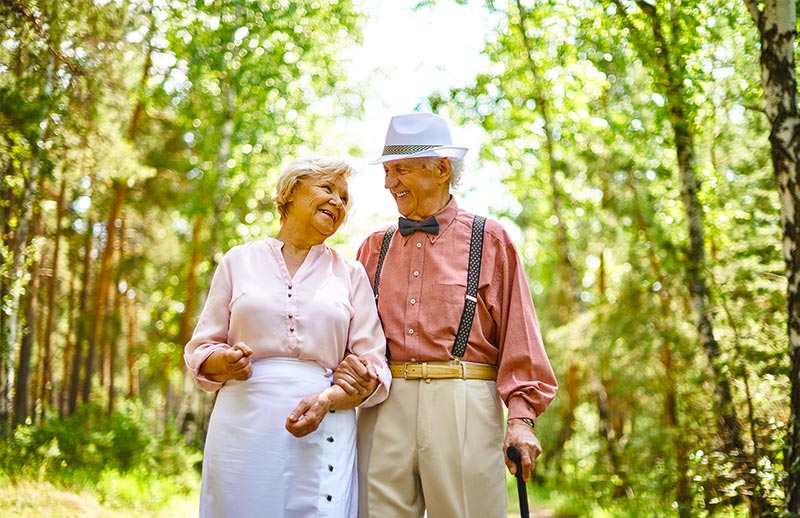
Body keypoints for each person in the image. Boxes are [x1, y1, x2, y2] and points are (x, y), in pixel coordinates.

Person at [334, 112, 558, 517]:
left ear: (440, 169)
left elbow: (520, 337)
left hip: (464, 401)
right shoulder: (372, 247)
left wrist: (522, 420)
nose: (389, 183)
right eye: (387, 172)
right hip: (383, 405)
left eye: (400, 169)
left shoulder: (490, 239)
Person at [184, 156, 391, 518]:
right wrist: (226, 362)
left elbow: (373, 362)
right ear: (292, 191)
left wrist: (331, 398)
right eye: (328, 189)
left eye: (344, 198)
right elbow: (203, 348)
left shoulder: (351, 274)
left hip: (323, 420)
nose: (338, 202)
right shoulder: (238, 261)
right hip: (242, 424)